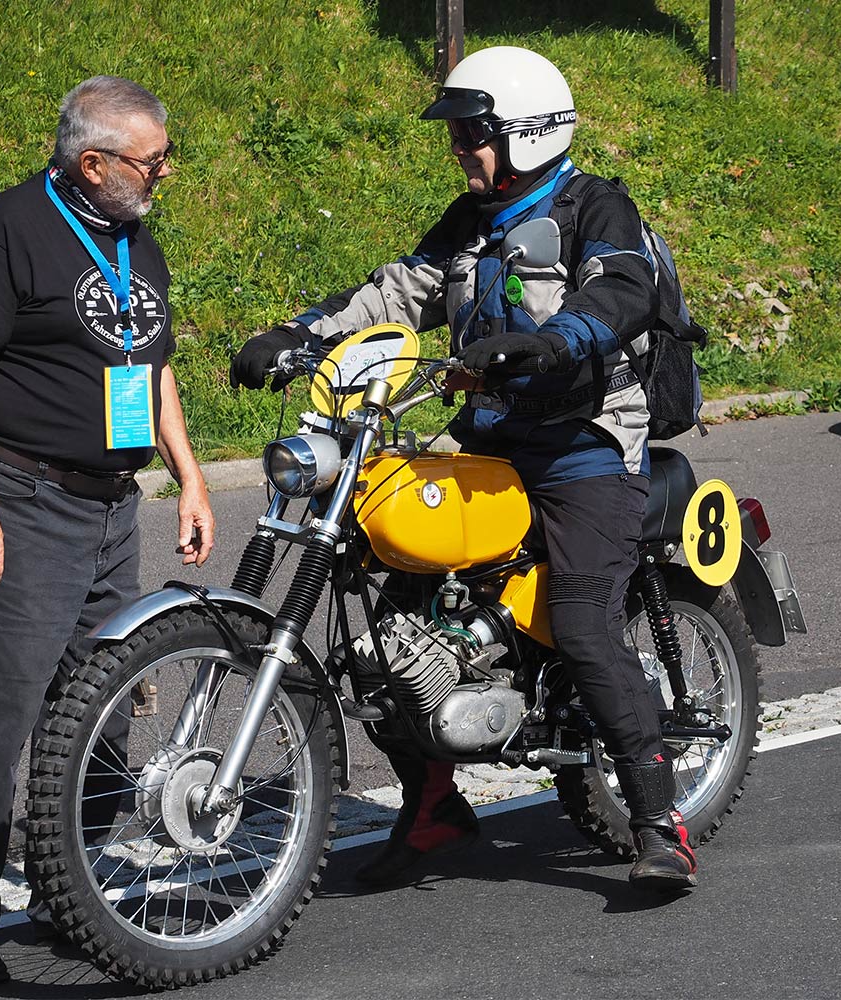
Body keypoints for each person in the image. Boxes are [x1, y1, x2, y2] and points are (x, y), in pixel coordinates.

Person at [230, 46, 696, 892]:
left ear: (525, 133)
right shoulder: (468, 220)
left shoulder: (599, 208)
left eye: (473, 134)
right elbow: (394, 292)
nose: (460, 149)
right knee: (388, 610)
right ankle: (437, 806)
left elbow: (621, 293)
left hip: (586, 446)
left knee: (587, 624)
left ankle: (660, 822)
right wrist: (298, 334)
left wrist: (555, 341)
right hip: (487, 438)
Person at [0, 76, 215, 988]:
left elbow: (152, 370)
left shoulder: (136, 238)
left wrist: (191, 477)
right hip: (21, 496)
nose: (163, 172)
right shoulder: (6, 230)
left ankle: (68, 891)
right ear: (93, 162)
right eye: (150, 159)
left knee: (98, 705)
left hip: (111, 507)